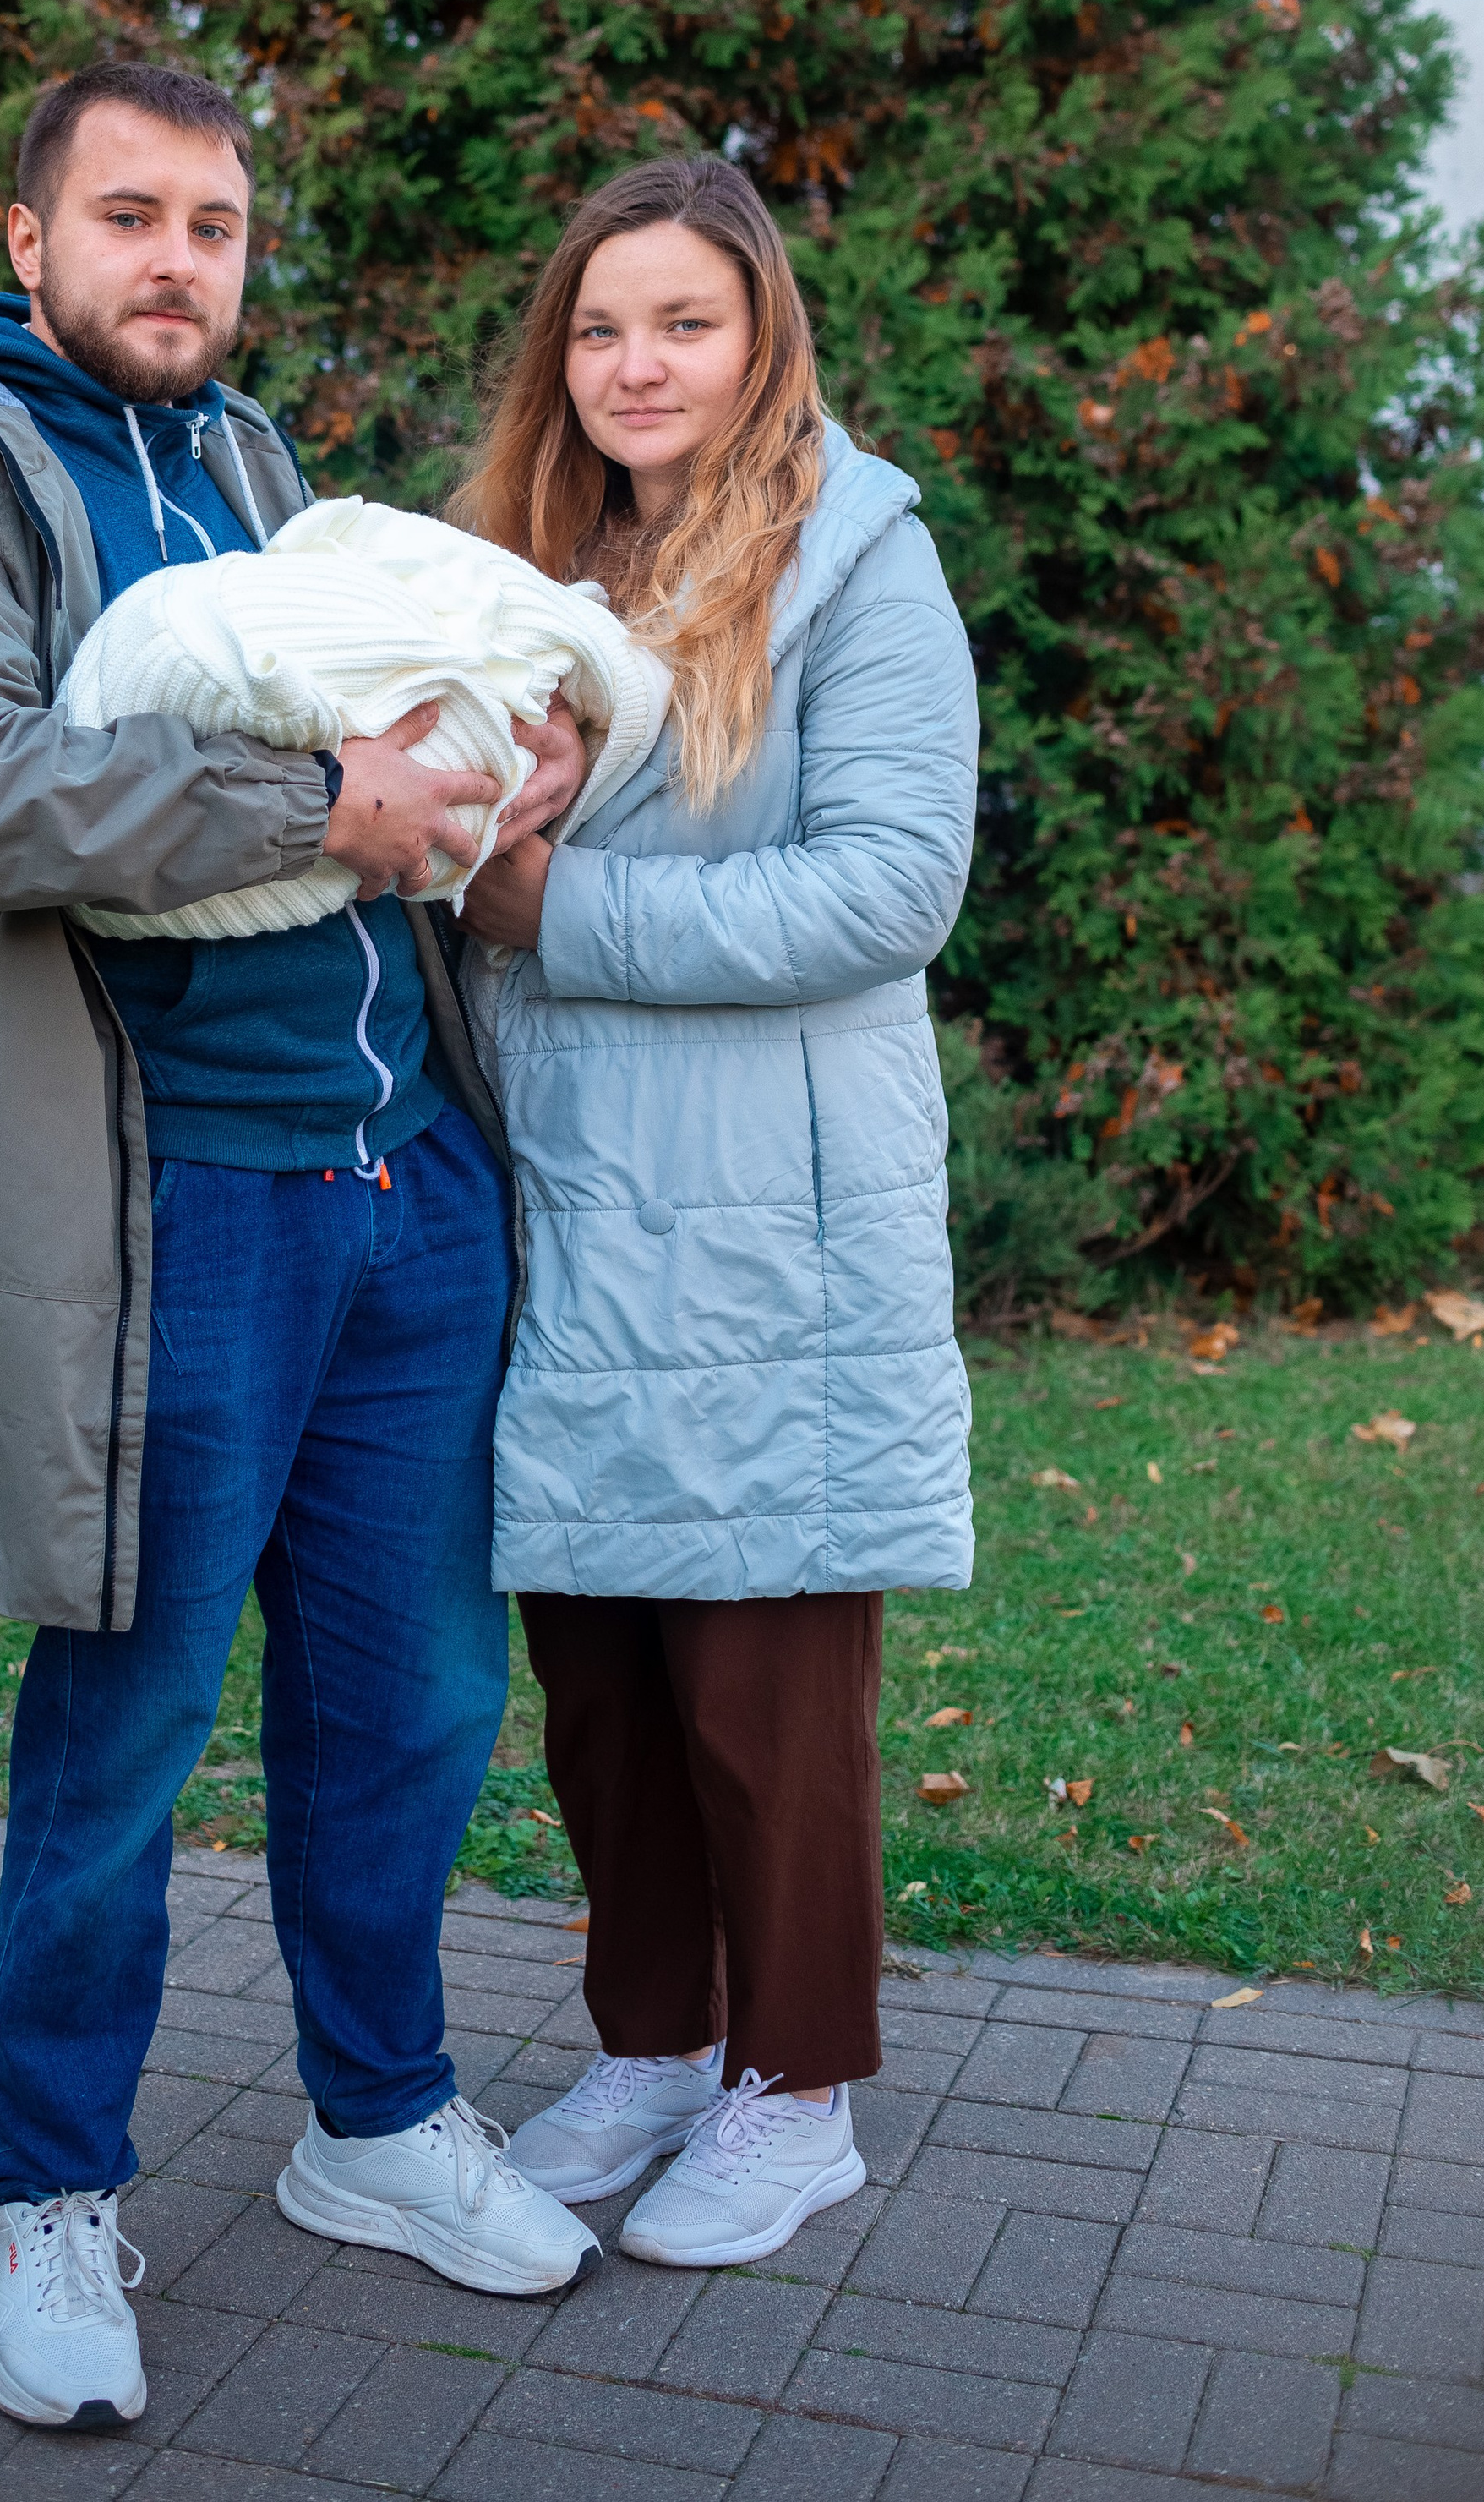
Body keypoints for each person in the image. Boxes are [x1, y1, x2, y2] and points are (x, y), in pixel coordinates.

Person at [0, 59, 602, 2436]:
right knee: (122, 1726)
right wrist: (314, 795)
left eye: (217, 225)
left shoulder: (249, 465)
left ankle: (376, 2118)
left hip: (399, 1179)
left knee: (420, 1699)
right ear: (25, 238)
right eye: (130, 216)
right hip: (173, 1207)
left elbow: (373, 748)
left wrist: (479, 764)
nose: (180, 261)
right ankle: (50, 2192)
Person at [449, 154, 979, 2270]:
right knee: (599, 1662)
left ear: (759, 338)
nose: (633, 363)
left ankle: (801, 2089)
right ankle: (657, 2044)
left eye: (680, 321)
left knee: (762, 1666)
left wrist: (558, 903)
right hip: (565, 1201)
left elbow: (887, 885)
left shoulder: (855, 557)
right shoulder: (521, 566)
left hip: (771, 1211)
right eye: (596, 326)